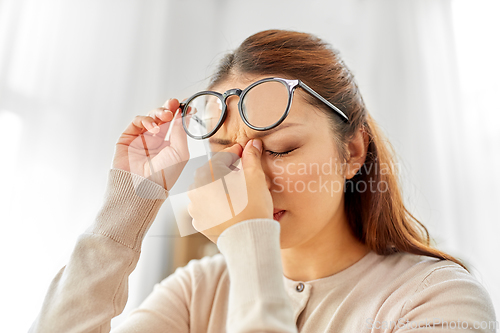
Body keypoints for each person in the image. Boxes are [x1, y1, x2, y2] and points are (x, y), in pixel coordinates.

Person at [29, 29, 496, 333]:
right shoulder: (199, 292)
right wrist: (127, 207)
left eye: (279, 150)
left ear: (352, 150)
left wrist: (250, 243)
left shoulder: (437, 299)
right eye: (224, 153)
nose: (247, 176)